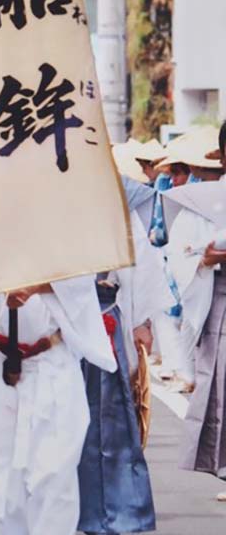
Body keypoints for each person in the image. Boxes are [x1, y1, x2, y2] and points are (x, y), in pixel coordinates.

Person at [0, 193, 117, 535]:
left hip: (52, 356)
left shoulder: (65, 191)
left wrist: (39, 283)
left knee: (55, 473)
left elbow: (85, 268)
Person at [77, 176, 171, 535]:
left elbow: (142, 267)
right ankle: (60, 509)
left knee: (109, 420)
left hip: (104, 319)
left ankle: (118, 510)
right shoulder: (49, 202)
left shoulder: (114, 200)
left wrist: (142, 322)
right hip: (57, 324)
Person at [162, 121, 226, 491]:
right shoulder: (202, 201)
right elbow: (181, 252)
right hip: (219, 299)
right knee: (219, 382)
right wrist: (206, 258)